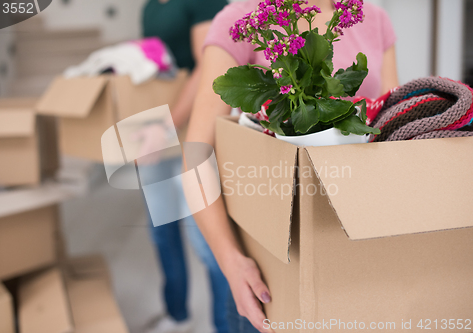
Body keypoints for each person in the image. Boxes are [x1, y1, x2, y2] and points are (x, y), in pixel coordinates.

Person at [185, 1, 399, 333]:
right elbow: (197, 154)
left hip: (355, 243)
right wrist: (231, 261)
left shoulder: (375, 19)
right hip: (267, 255)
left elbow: (388, 121)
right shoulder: (244, 18)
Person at [139, 1, 229, 333]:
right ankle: (177, 315)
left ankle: (224, 326)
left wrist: (166, 125)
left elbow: (209, 65)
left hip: (196, 130)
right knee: (161, 231)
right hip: (156, 135)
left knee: (208, 242)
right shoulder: (150, 7)